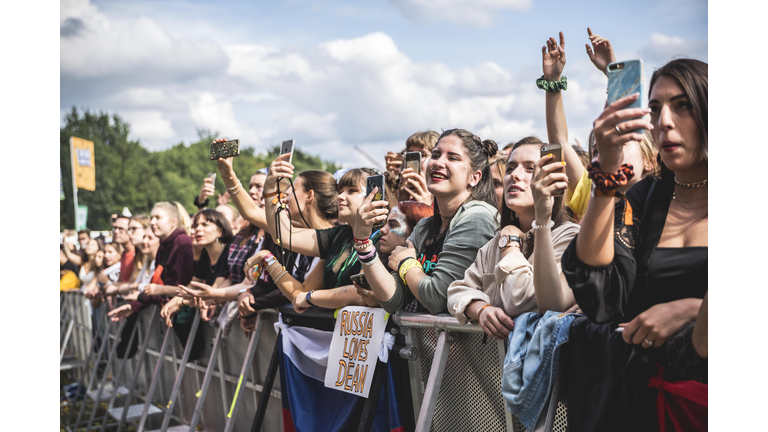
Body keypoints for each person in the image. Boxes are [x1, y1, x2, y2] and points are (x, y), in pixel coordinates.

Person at [561, 58, 708, 432]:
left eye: (683, 105)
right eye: (655, 109)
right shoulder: (648, 196)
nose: (665, 122)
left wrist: (693, 308)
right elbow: (601, 297)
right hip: (644, 404)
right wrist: (605, 176)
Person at [446, 137, 580, 339]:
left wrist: (510, 243)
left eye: (530, 168)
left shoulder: (570, 237)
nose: (514, 176)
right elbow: (456, 292)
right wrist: (481, 309)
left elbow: (519, 301)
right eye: (510, 168)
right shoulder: (493, 244)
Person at [354, 128, 500, 314]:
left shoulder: (477, 217)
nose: (439, 163)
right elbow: (394, 300)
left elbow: (437, 298)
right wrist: (363, 242)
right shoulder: (424, 226)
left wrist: (406, 263)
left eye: (453, 158)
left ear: (474, 177)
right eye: (436, 155)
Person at [542, 30, 658, 223]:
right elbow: (560, 141)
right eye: (596, 151)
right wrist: (552, 82)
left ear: (650, 160)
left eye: (618, 144)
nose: (603, 153)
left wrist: (615, 76)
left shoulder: (666, 201)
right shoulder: (590, 189)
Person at [352, 201, 434, 306]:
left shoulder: (430, 268)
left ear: (417, 230)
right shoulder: (386, 263)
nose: (382, 230)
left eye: (393, 224)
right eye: (385, 223)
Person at [112, 216, 136, 284]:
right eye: (115, 228)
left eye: (121, 229)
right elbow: (120, 281)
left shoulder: (136, 255)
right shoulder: (124, 253)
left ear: (130, 231)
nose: (116, 231)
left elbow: (131, 285)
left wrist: (107, 283)